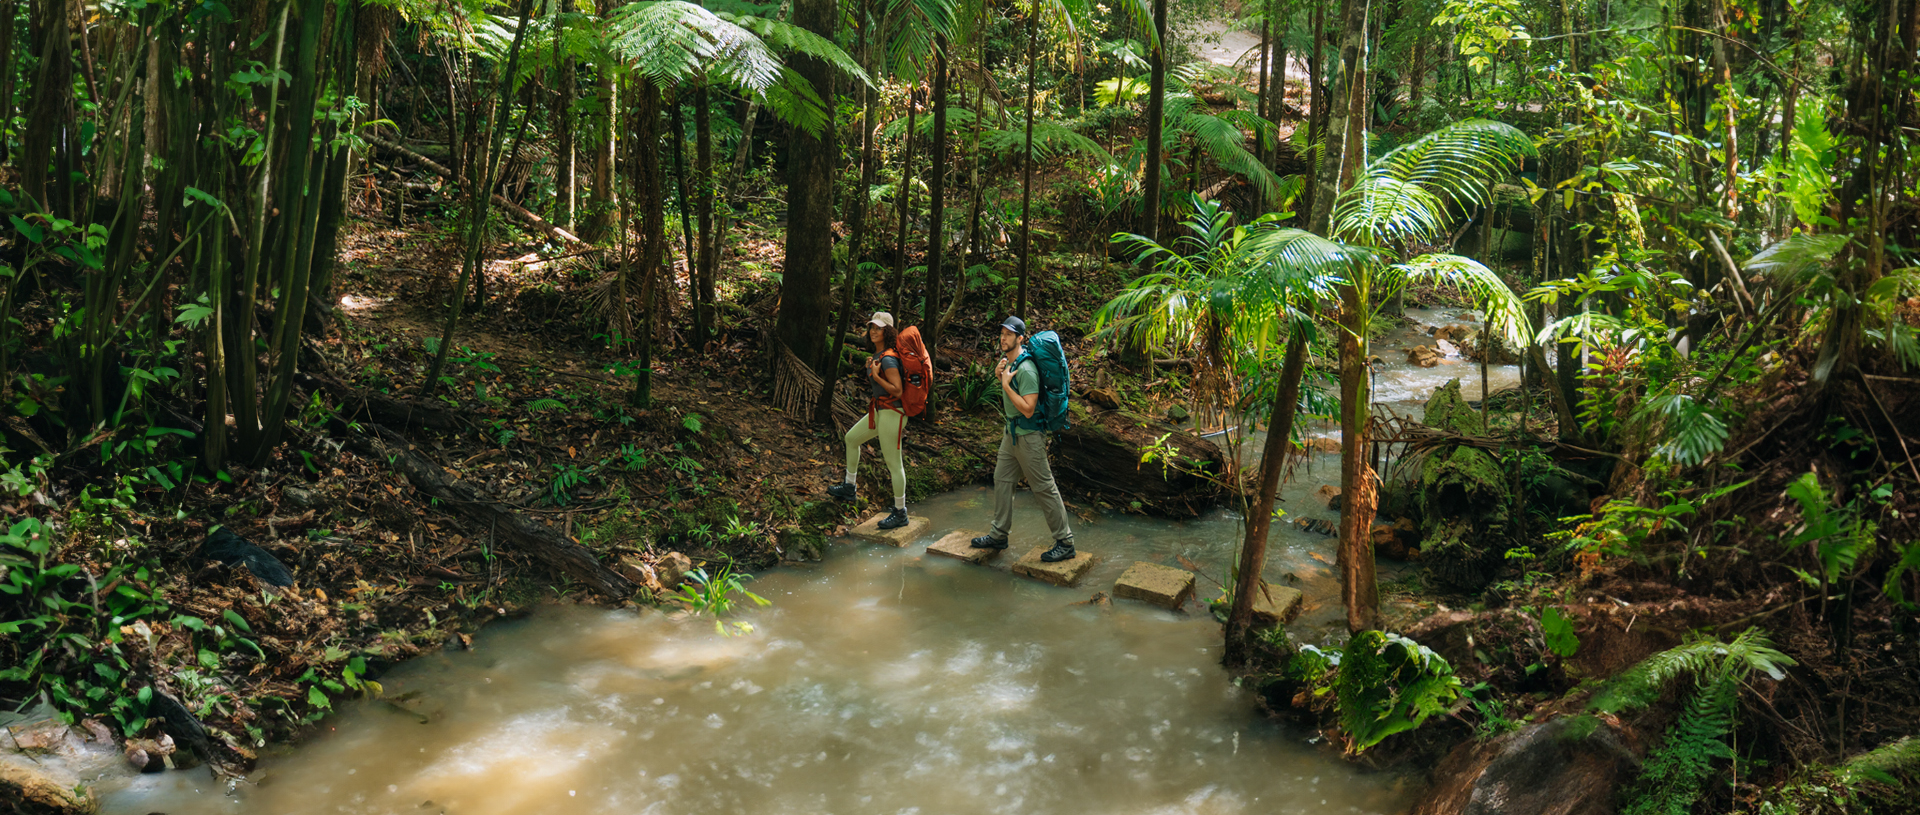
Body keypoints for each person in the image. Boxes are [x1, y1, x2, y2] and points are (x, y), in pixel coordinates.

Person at [972, 316, 1075, 561]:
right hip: (1012, 434)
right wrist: (1001, 379)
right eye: (1002, 333)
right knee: (1002, 479)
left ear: (1020, 338)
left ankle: (1065, 542)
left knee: (1043, 488)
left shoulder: (1026, 369)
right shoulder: (1009, 362)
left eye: (1009, 334)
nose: (1003, 338)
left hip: (1029, 436)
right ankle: (999, 534)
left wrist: (1006, 386)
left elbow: (1028, 409)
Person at [827, 312, 911, 529]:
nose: (874, 331)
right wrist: (873, 368)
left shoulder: (889, 358)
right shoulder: (880, 355)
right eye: (872, 327)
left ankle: (900, 512)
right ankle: (849, 487)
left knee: (894, 464)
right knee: (851, 438)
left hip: (893, 413)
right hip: (881, 412)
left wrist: (876, 375)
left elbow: (898, 391)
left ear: (888, 332)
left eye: (879, 328)